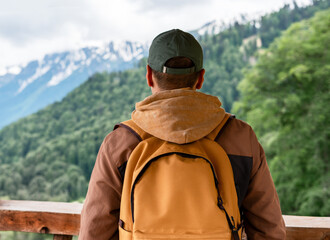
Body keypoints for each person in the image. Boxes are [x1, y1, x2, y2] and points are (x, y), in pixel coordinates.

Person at [79, 29, 286, 240]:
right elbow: (269, 228)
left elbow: (94, 231)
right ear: (200, 78)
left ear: (149, 76)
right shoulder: (241, 138)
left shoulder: (121, 142)